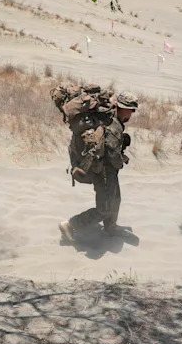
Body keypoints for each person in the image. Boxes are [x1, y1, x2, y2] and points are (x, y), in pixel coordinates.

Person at [59, 92, 138, 240]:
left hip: (107, 170)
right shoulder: (114, 127)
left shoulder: (110, 118)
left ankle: (110, 227)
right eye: (130, 109)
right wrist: (121, 161)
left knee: (116, 199)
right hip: (103, 171)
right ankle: (70, 225)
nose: (132, 113)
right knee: (104, 209)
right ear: (122, 108)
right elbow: (113, 156)